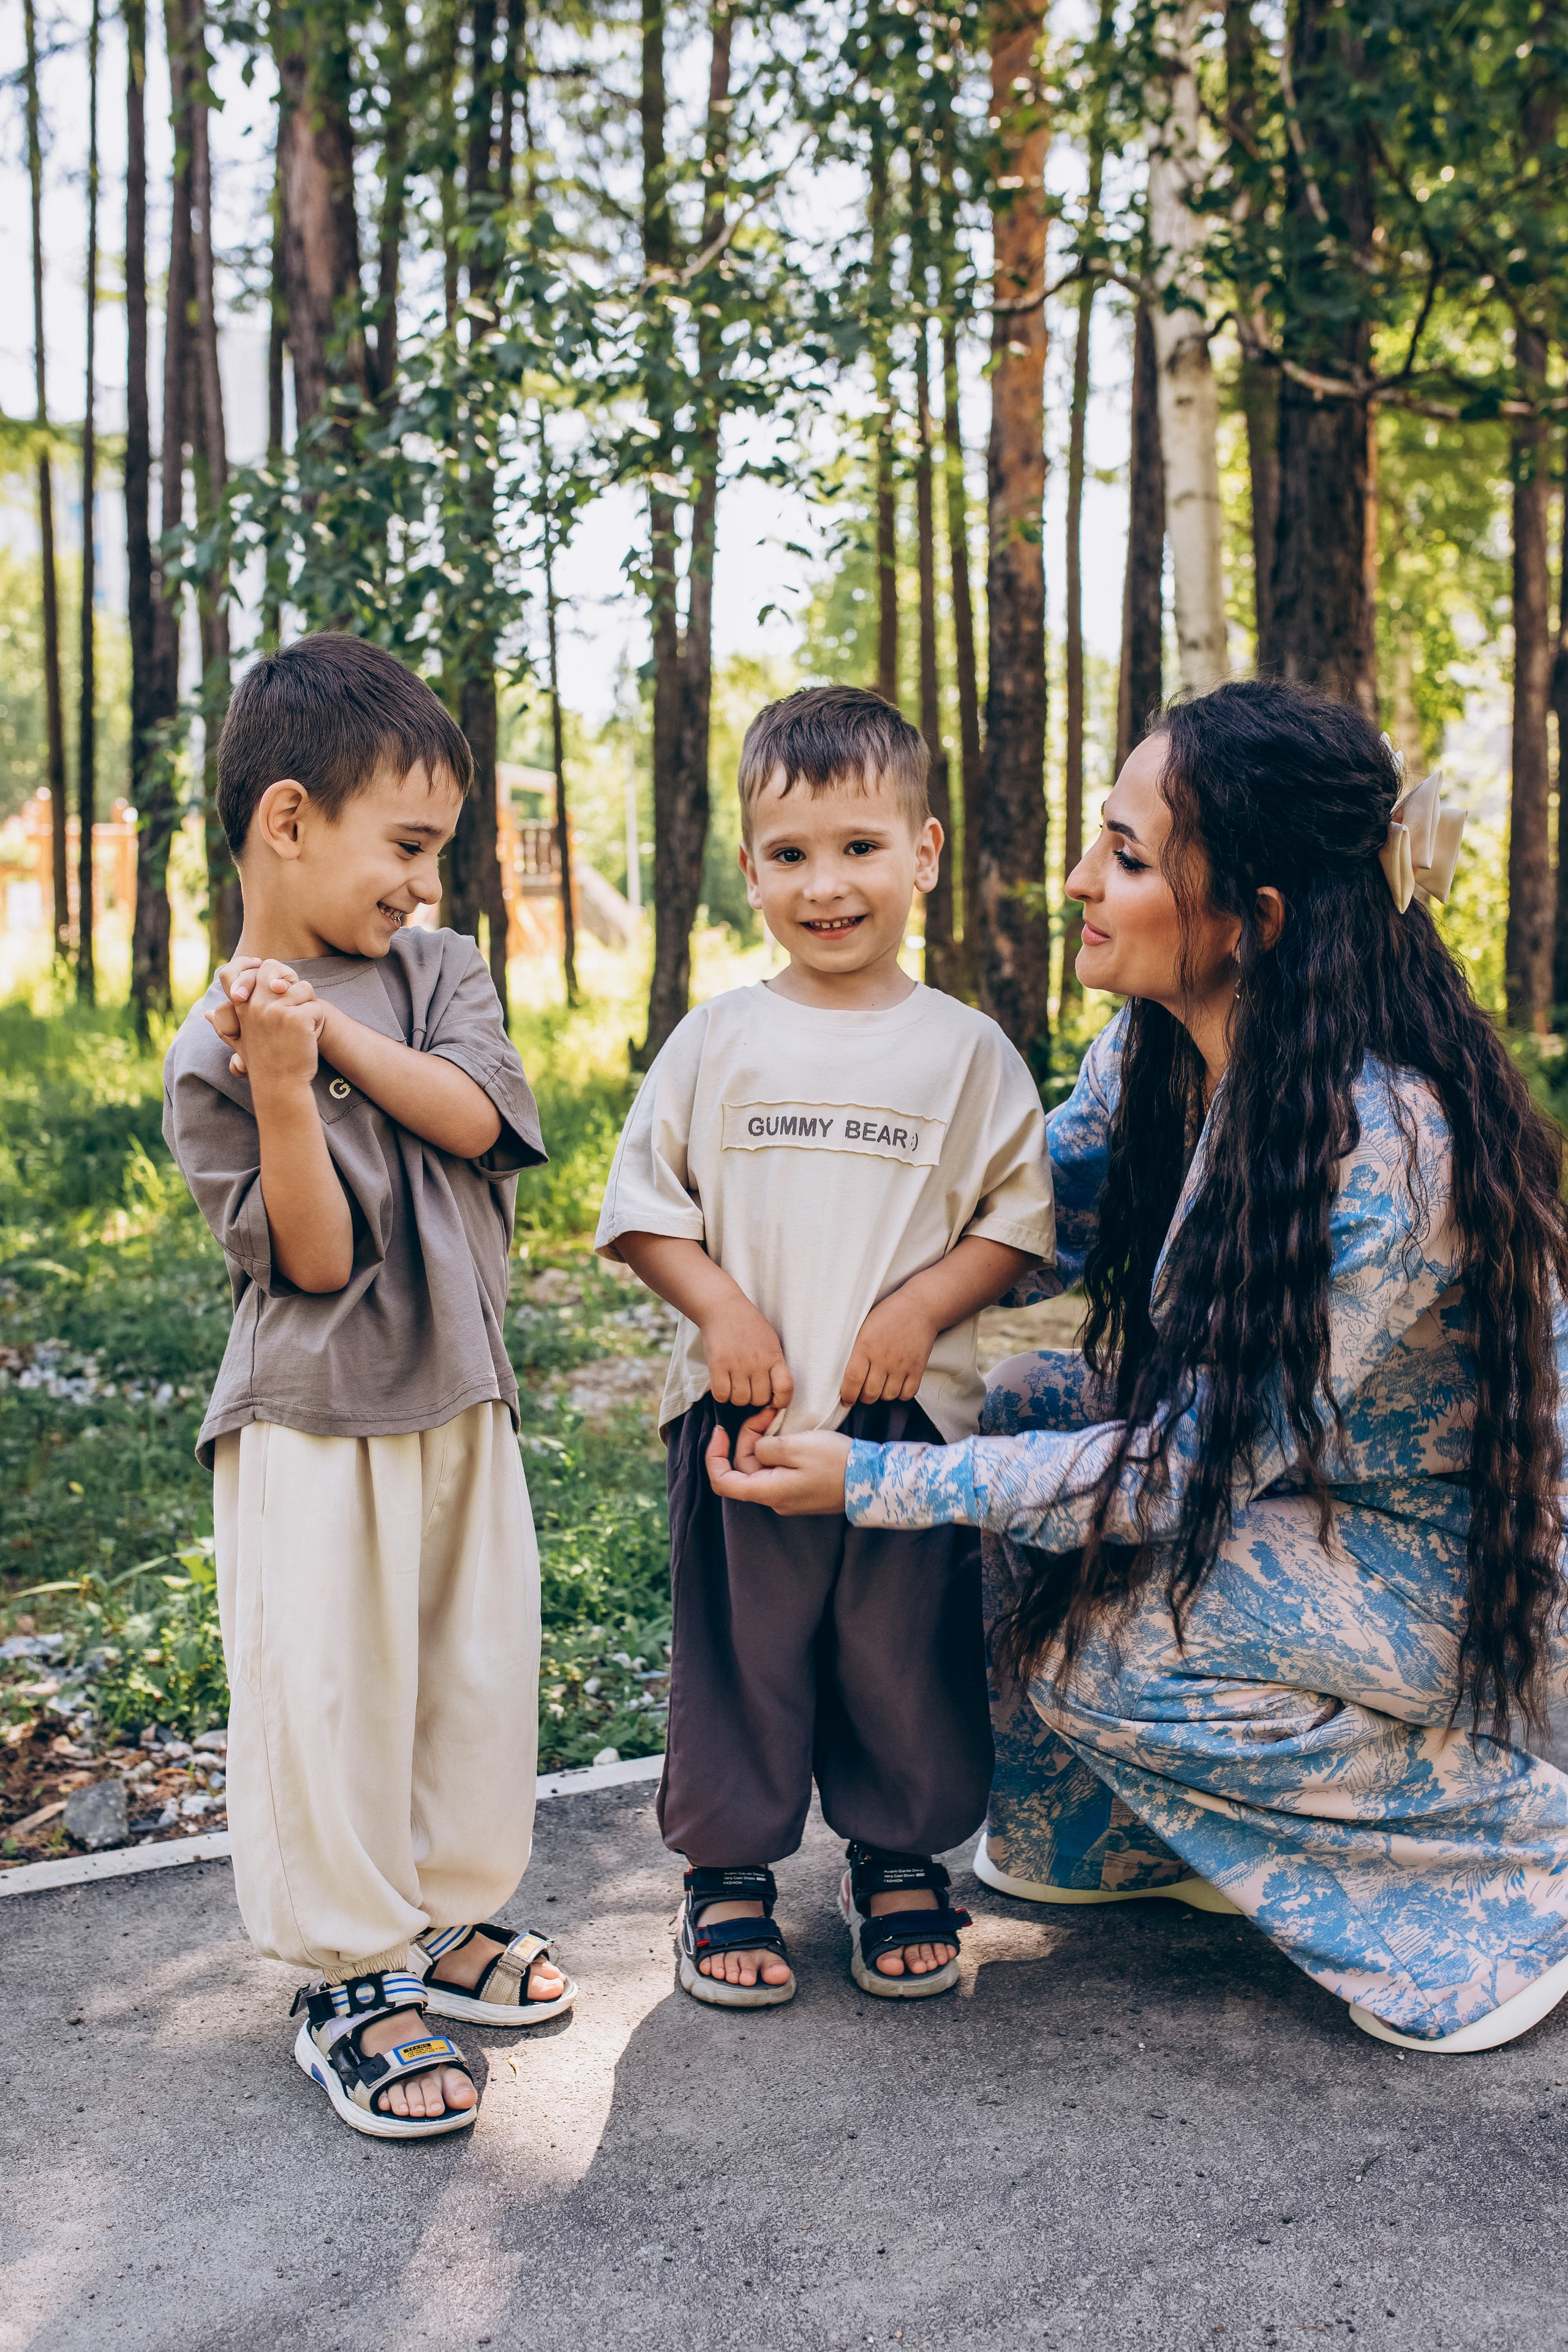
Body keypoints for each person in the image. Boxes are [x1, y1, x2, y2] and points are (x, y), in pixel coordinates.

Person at [710, 677, 1568, 2056]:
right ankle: (1099, 1836)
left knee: (1100, 1654)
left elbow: (1179, 1475)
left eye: (1122, 853)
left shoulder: (1383, 1146)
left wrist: (866, 1479)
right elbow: (1011, 1219)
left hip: (1458, 1569)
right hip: (1313, 1499)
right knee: (1032, 1405)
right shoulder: (1159, 1048)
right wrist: (757, 1246)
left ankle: (1509, 1882)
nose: (1074, 880)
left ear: (1254, 919)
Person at [162, 633, 574, 2140]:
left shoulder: (434, 969)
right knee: (327, 1692)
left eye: (438, 850)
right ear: (288, 819)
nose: (423, 878)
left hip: (462, 1387)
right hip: (312, 1417)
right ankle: (345, 1970)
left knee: (470, 1667)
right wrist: (280, 1086)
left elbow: (476, 1118)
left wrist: (327, 1030)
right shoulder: (210, 1059)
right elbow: (315, 1265)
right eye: (404, 844)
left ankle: (445, 1918)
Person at [596, 685, 1055, 2005]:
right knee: (740, 1652)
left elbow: (1012, 1223)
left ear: (921, 852)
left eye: (858, 847)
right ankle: (725, 1874)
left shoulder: (965, 1053)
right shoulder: (716, 1040)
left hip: (906, 1429)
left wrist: (917, 1311)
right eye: (790, 855)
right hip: (744, 1415)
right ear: (748, 867)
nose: (825, 885)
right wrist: (723, 1311)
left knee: (897, 1648)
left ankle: (898, 1855)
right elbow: (644, 1214)